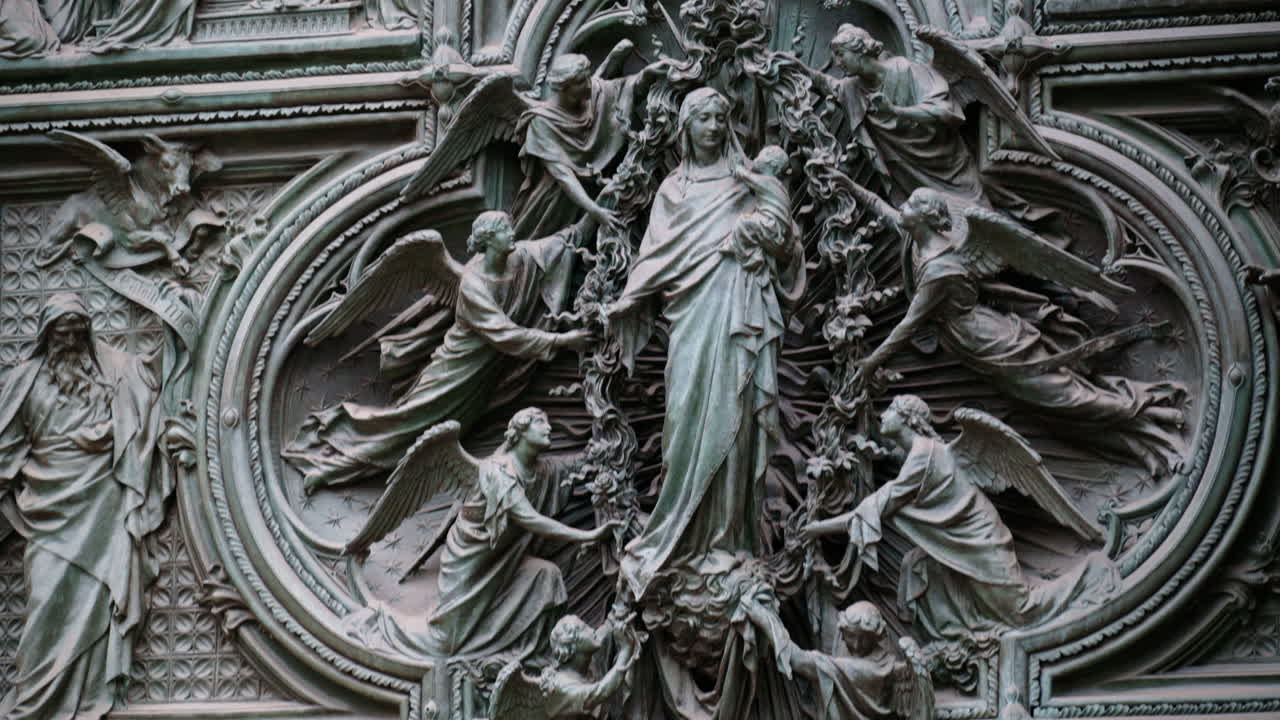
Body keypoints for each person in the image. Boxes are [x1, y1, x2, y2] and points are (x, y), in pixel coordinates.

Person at [606, 87, 805, 599]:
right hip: (691, 319)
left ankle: (731, 541)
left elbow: (784, 244)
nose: (714, 127)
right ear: (686, 127)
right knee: (686, 419)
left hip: (739, 314)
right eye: (704, 119)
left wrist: (762, 237)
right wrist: (631, 297)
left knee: (737, 422)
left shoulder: (748, 183)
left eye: (722, 118)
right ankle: (679, 535)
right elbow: (655, 256)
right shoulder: (673, 189)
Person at [858, 188, 1185, 476]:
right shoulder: (919, 247)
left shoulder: (939, 270)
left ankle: (1148, 410)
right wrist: (844, 183)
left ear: (924, 219)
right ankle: (1149, 435)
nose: (902, 210)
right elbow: (882, 208)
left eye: (910, 206)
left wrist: (870, 364)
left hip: (993, 342)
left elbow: (907, 326)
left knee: (1066, 398)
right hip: (977, 344)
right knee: (1055, 411)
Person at [283, 212, 590, 492]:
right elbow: (506, 335)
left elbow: (568, 239)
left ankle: (344, 468)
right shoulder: (472, 284)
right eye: (504, 230)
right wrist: (564, 341)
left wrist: (604, 205)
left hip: (480, 380)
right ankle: (331, 467)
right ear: (488, 240)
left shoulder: (523, 258)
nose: (512, 234)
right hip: (453, 370)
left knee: (435, 437)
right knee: (406, 423)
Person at [805, 396, 1118, 642]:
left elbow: (876, 508)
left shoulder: (923, 457)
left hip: (981, 541)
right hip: (962, 545)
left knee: (1022, 610)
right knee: (919, 567)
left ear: (907, 419)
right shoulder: (924, 454)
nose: (883, 416)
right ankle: (961, 640)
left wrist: (815, 529)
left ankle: (1092, 574)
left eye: (889, 411)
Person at [0, 294, 166, 719]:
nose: (71, 336)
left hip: (101, 505)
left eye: (78, 326)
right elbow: (8, 446)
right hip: (47, 508)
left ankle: (86, 693)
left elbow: (145, 387)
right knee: (46, 601)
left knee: (96, 600)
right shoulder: (24, 380)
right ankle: (33, 700)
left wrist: (109, 431)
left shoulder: (106, 376)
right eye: (63, 327)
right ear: (46, 332)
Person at [422, 408, 616, 657]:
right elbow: (531, 519)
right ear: (520, 432)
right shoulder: (499, 470)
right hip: (472, 560)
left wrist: (607, 439)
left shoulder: (543, 470)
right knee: (447, 641)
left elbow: (577, 463)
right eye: (540, 422)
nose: (549, 427)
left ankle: (531, 654)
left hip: (507, 559)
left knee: (548, 575)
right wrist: (588, 535)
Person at [511, 46, 665, 238]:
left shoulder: (596, 92)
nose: (588, 84)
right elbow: (562, 175)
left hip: (601, 190)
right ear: (563, 89)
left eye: (587, 77)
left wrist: (648, 74)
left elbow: (628, 88)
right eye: (580, 82)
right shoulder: (541, 121)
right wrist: (594, 211)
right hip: (558, 201)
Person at [762, 602, 932, 720]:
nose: (856, 645)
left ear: (875, 637)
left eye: (863, 638)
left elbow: (796, 660)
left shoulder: (859, 669)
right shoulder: (886, 662)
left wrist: (763, 616)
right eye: (850, 636)